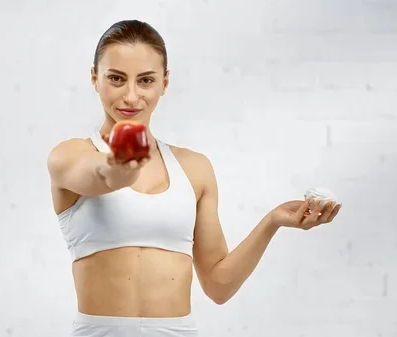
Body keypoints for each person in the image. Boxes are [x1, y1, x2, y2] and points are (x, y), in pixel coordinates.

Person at [46, 19, 342, 337]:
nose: (131, 97)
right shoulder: (70, 155)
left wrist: (273, 221)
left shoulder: (194, 168)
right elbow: (101, 176)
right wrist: (120, 167)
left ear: (165, 83)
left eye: (145, 81)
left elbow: (218, 286)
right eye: (116, 79)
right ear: (95, 78)